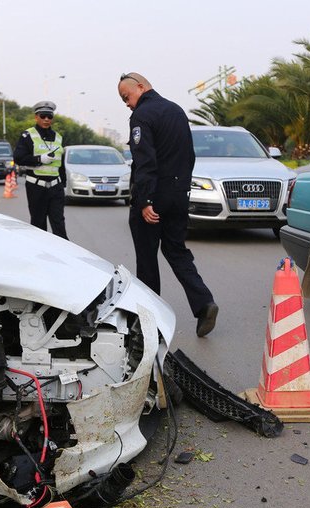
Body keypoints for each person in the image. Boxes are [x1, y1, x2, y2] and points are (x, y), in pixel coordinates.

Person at [117, 72, 218, 337]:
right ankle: (204, 303)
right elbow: (189, 156)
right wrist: (181, 189)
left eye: (126, 97)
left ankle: (149, 321)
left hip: (154, 199)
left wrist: (145, 201)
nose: (127, 103)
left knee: (147, 257)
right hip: (178, 194)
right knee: (177, 251)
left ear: (140, 87)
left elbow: (145, 161)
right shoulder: (176, 111)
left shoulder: (142, 115)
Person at [13, 101, 68, 239]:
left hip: (56, 187)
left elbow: (60, 164)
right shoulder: (28, 135)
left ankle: (64, 257)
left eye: (49, 116)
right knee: (38, 226)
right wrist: (39, 159)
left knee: (59, 226)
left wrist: (64, 185)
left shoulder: (58, 137)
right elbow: (18, 158)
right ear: (36, 117)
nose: (46, 119)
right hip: (36, 187)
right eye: (43, 116)